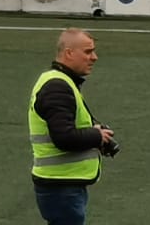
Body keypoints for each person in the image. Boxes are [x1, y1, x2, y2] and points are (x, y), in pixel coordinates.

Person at [29, 28, 114, 225]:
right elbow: (64, 138)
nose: (94, 57)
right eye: (87, 52)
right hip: (61, 187)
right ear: (69, 53)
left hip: (62, 185)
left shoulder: (59, 82)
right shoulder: (57, 87)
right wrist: (96, 136)